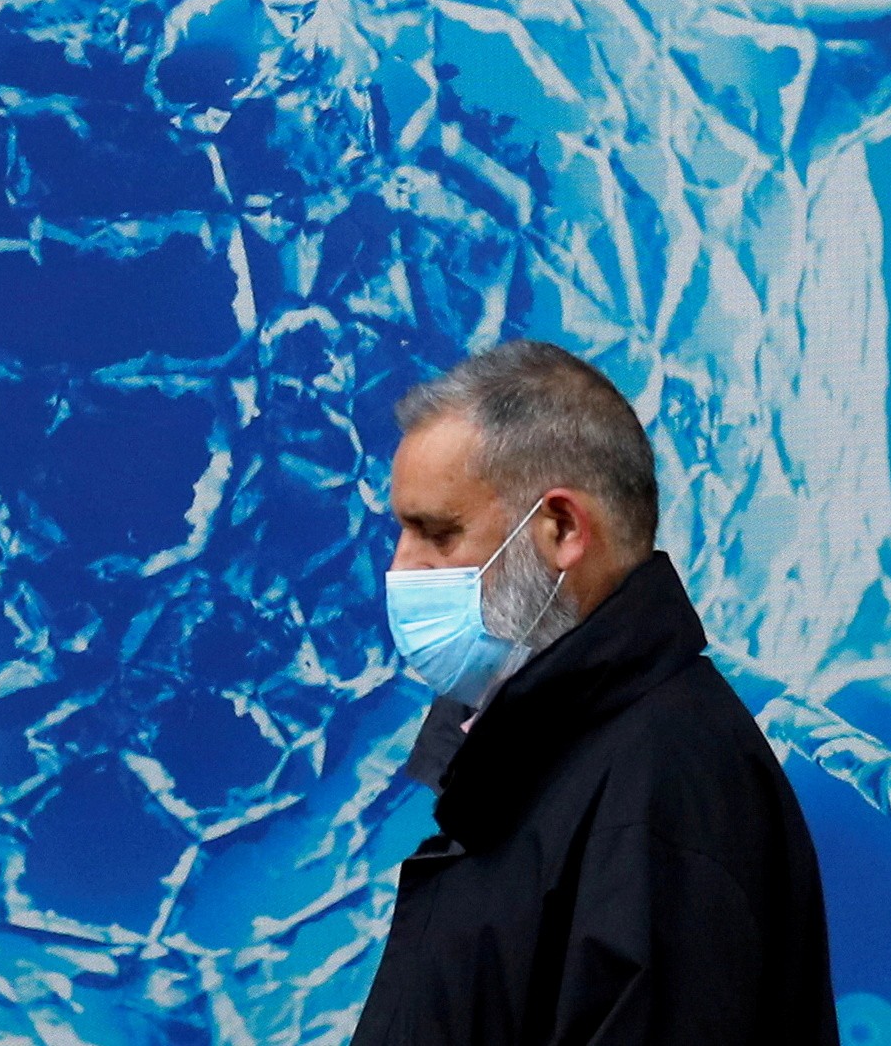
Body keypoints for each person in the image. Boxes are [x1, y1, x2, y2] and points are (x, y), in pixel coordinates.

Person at [353, 339, 838, 1045]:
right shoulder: (539, 774)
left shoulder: (664, 789)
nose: (402, 567)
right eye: (400, 531)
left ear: (560, 530)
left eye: (438, 531)